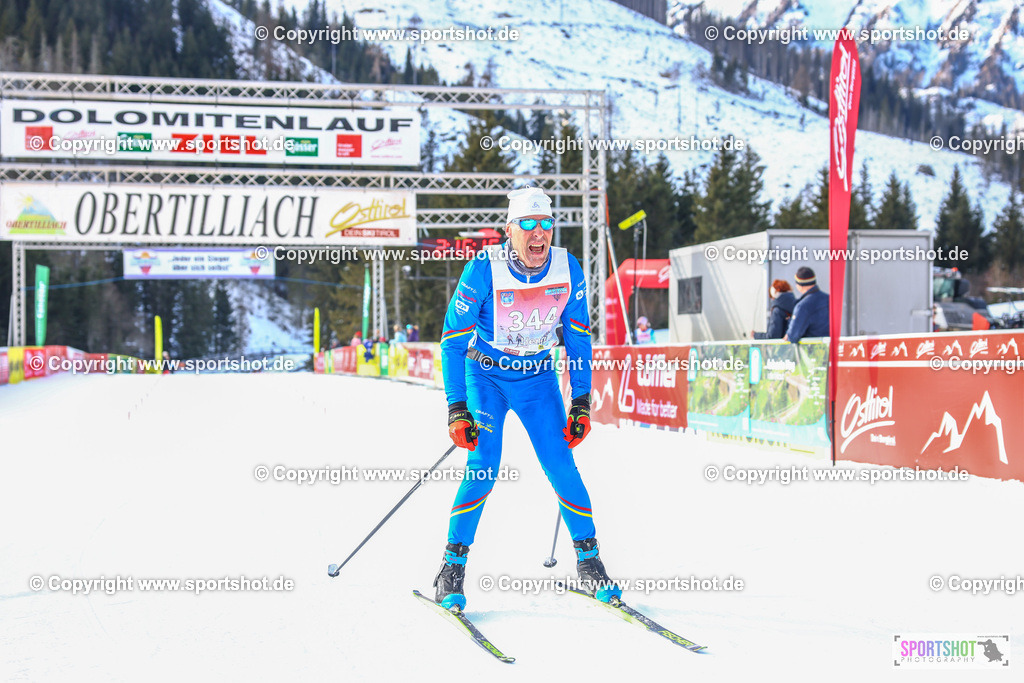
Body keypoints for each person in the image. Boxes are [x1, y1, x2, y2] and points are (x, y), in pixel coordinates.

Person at [433, 186, 620, 611]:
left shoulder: (567, 267)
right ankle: (451, 567)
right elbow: (452, 342)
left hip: (537, 379)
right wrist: (457, 407)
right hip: (485, 377)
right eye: (528, 224)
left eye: (546, 224)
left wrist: (581, 402)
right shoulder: (483, 269)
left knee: (560, 464)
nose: (539, 233)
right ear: (510, 229)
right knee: (484, 467)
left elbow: (578, 339)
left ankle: (589, 563)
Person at [784, 267, 829, 343]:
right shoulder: (829, 299)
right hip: (830, 347)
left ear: (800, 285)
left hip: (811, 348)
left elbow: (792, 336)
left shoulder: (802, 307)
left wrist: (790, 321)